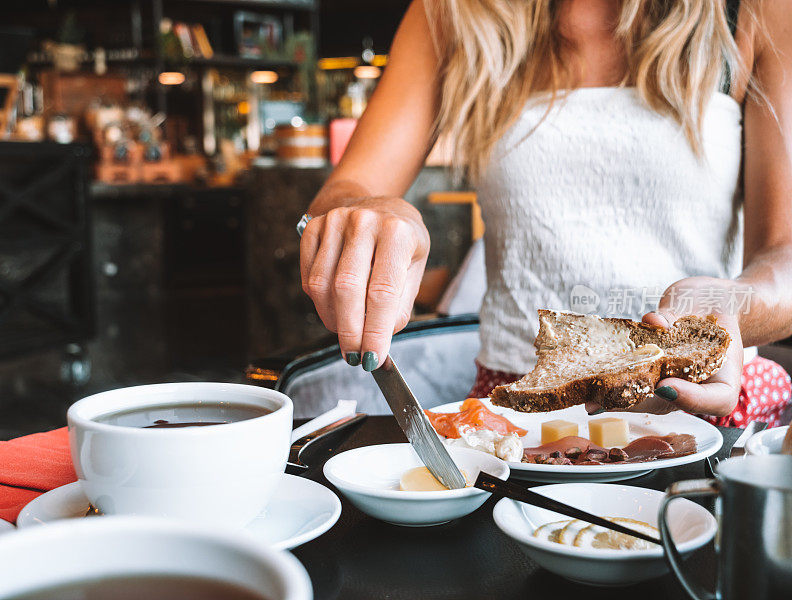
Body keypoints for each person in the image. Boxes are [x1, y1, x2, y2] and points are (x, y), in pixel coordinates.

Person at [299, 0, 792, 427]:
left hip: (706, 408)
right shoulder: (454, 12)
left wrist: (728, 311)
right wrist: (369, 210)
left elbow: (784, 251)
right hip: (518, 411)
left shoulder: (751, 10)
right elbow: (350, 187)